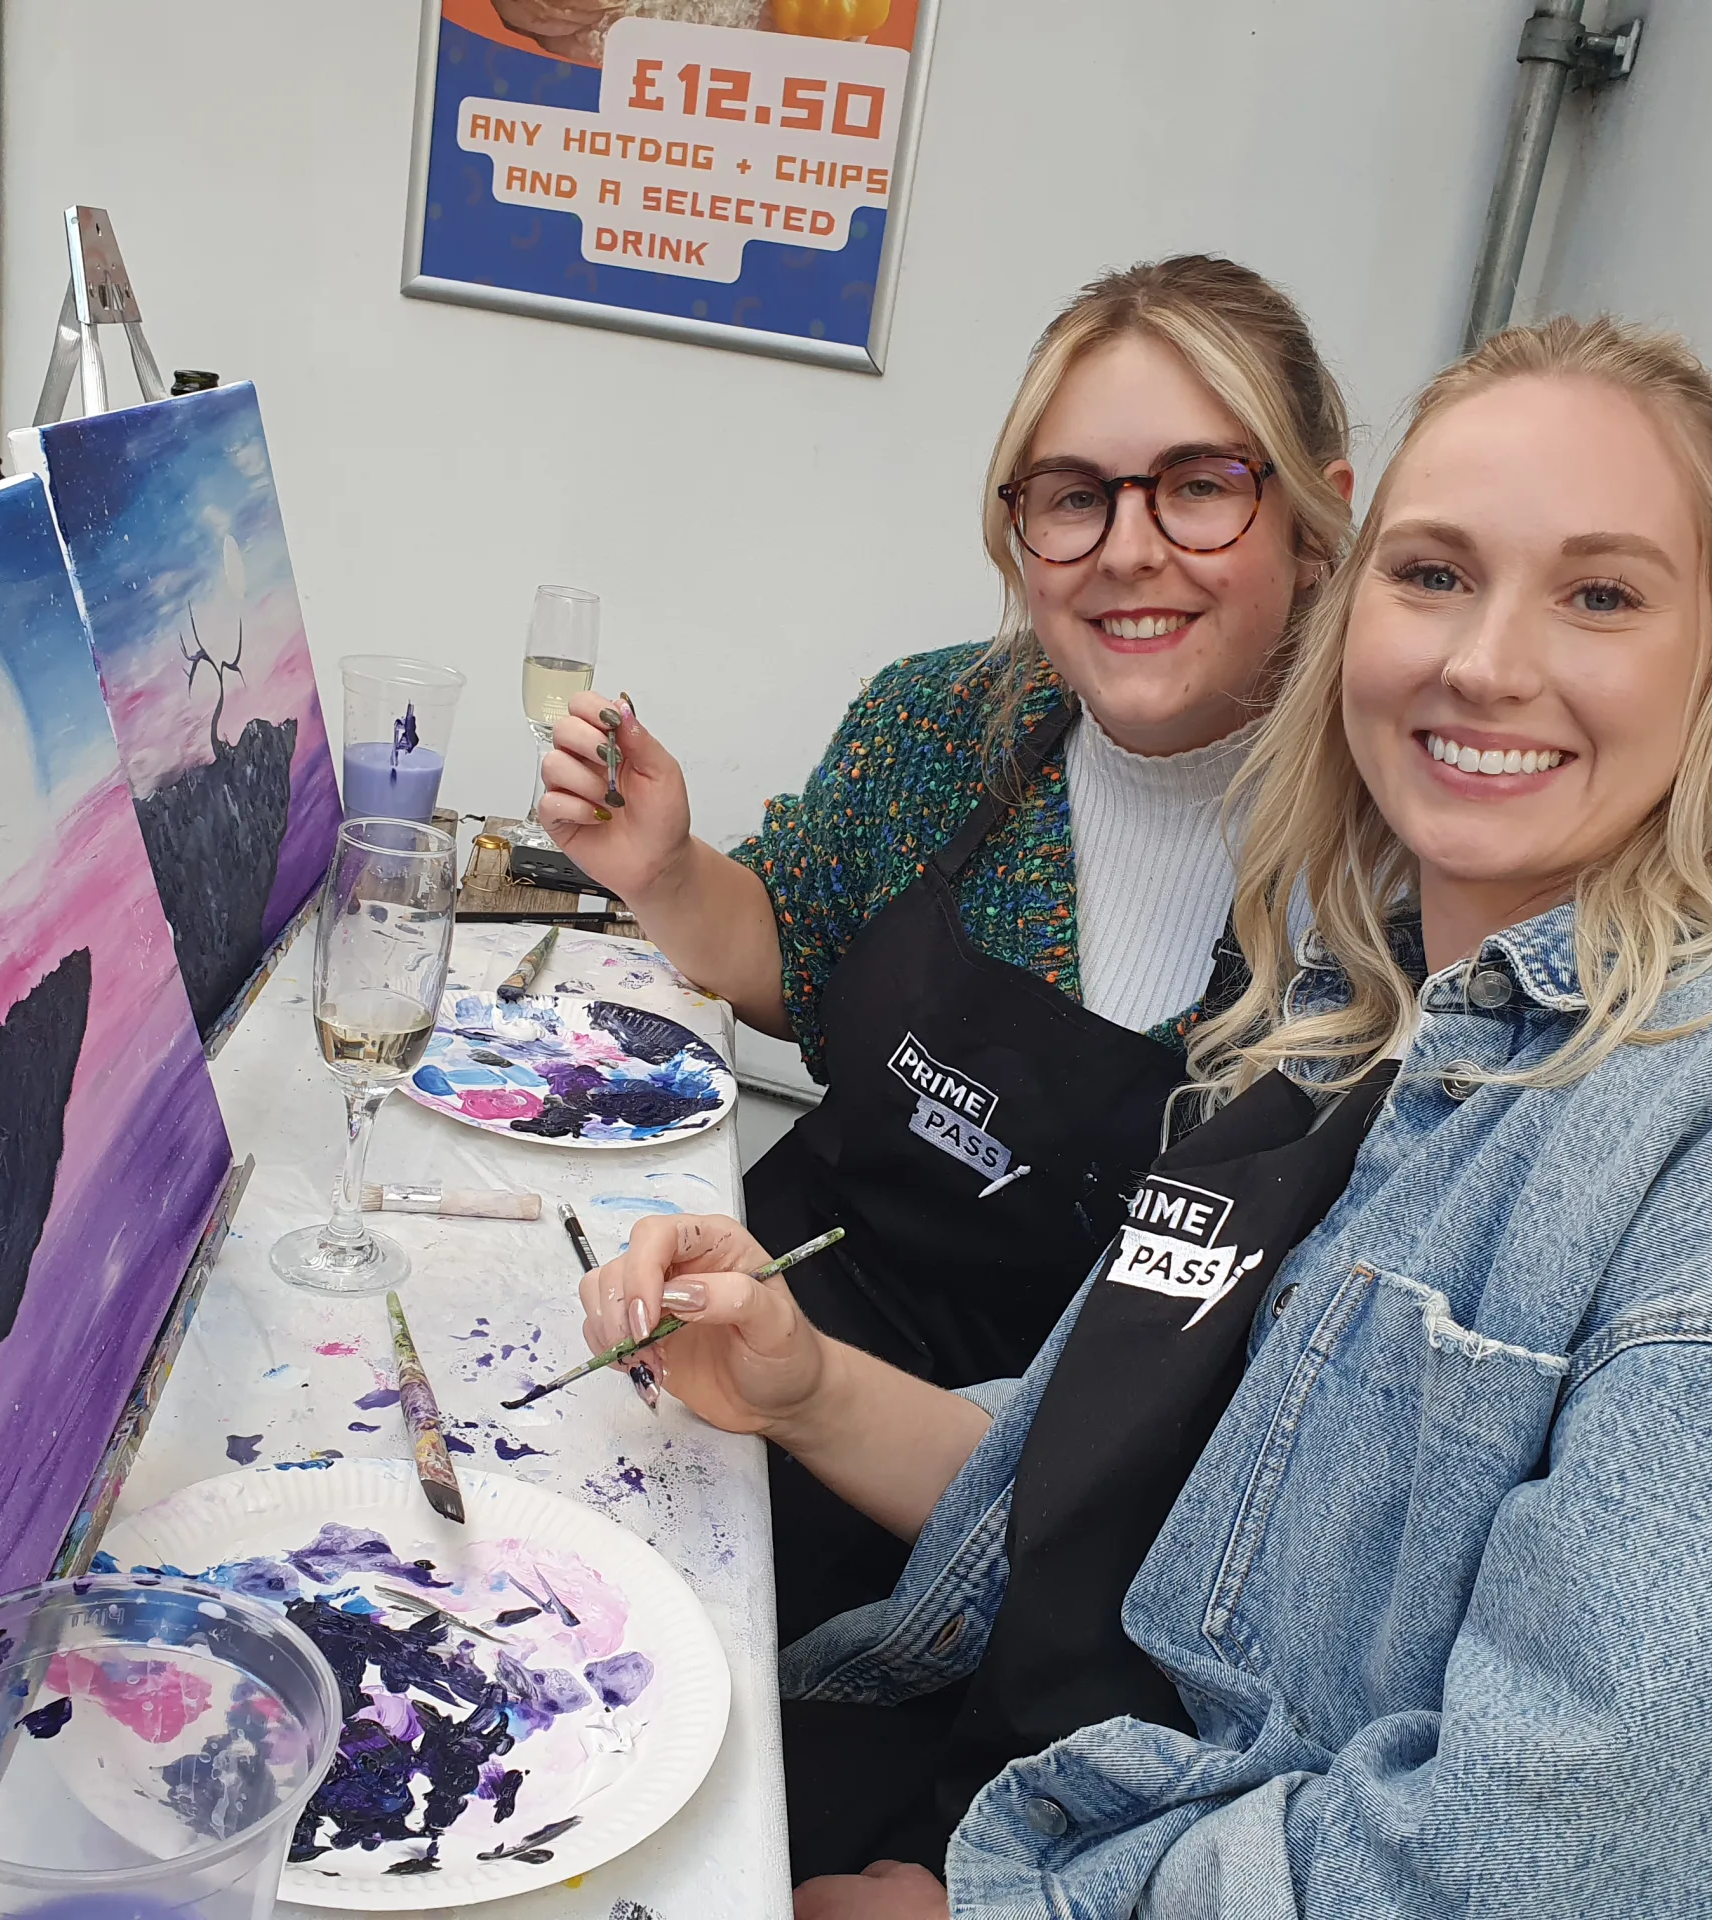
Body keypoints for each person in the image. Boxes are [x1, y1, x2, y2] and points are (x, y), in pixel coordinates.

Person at [575, 316, 1712, 1918]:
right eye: (1435, 575)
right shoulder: (1335, 1031)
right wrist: (802, 1385)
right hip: (969, 1771)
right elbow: (1083, 1506)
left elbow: (1591, 1867)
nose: (1486, 661)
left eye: (1601, 595)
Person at [537, 257, 1354, 1632]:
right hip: (736, 1350)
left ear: (1316, 521)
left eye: (1200, 485)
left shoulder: (1380, 904)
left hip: (1003, 1551)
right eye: (1075, 495)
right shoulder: (940, 726)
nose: (1129, 547)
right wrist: (667, 870)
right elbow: (795, 958)